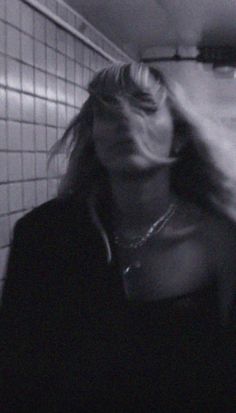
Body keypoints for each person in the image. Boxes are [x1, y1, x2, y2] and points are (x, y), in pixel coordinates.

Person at [0, 62, 235, 412]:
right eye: (106, 109)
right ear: (94, 136)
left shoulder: (221, 239)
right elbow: (16, 375)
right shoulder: (43, 236)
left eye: (144, 104)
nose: (124, 116)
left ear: (180, 134)